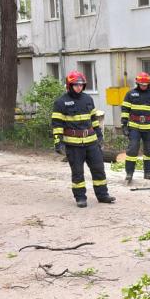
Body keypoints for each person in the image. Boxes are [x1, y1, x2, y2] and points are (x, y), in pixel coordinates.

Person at [51, 70, 115, 208]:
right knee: (78, 173)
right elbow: (57, 124)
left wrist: (99, 135)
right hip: (73, 145)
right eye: (76, 84)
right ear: (70, 85)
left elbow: (94, 119)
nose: (79, 87)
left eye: (81, 84)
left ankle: (103, 195)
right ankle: (80, 198)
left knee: (99, 169)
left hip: (91, 142)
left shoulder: (88, 99)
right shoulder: (61, 102)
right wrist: (58, 142)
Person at [121, 72, 150, 184]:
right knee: (132, 149)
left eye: (145, 84)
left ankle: (148, 172)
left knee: (149, 150)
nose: (143, 86)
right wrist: (124, 125)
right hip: (134, 126)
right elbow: (125, 110)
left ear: (149, 83)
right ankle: (129, 173)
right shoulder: (130, 94)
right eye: (141, 84)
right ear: (137, 83)